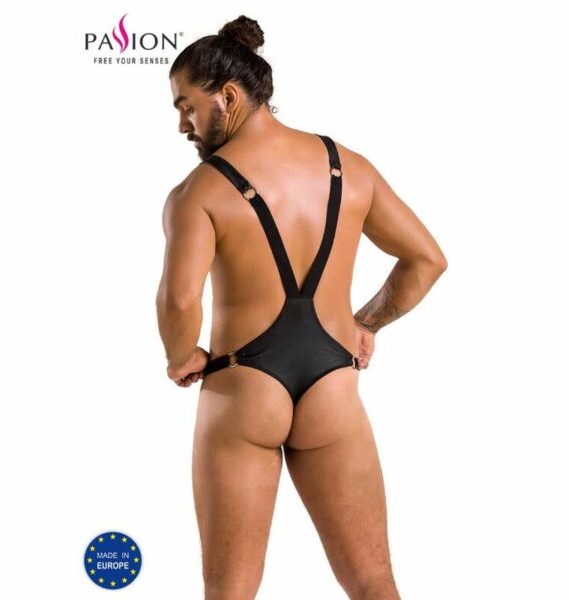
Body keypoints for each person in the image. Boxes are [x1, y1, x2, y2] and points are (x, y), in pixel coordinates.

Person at [156, 15, 447, 600]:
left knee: (230, 591)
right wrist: (364, 324)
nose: (183, 124)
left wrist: (182, 356)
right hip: (333, 384)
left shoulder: (199, 191)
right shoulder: (349, 167)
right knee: (372, 582)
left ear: (228, 96)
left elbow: (180, 298)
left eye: (187, 107)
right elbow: (426, 260)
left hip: (243, 388)